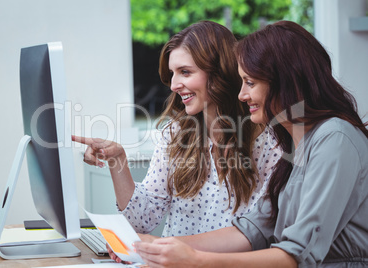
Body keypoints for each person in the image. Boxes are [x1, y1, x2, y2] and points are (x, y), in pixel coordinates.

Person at [133, 20, 368, 267]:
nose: (242, 95)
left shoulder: (335, 139)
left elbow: (298, 255)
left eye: (251, 83)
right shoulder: (295, 144)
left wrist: (196, 261)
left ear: (285, 82)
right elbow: (252, 230)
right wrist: (150, 246)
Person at [73, 20, 280, 238]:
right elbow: (141, 221)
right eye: (173, 73)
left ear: (220, 72)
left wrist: (168, 249)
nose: (173, 85)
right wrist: (117, 159)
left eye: (185, 72)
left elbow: (258, 235)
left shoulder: (269, 143)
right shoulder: (175, 134)